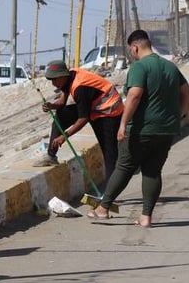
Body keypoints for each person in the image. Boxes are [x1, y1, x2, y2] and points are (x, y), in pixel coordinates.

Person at [89, 30, 189, 228]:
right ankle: (146, 217)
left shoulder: (140, 67)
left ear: (135, 47)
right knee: (153, 171)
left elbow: (134, 95)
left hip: (141, 129)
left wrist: (122, 124)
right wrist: (181, 115)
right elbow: (186, 91)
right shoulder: (170, 67)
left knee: (124, 167)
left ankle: (103, 208)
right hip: (166, 130)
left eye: (131, 50)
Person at [34, 60, 123, 192]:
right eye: (51, 80)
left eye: (55, 79)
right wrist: (52, 106)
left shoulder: (80, 87)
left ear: (63, 75)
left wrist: (65, 136)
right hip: (93, 104)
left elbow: (83, 119)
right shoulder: (69, 77)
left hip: (109, 109)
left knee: (109, 153)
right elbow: (63, 102)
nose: (53, 83)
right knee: (61, 116)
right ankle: (51, 155)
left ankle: (110, 194)